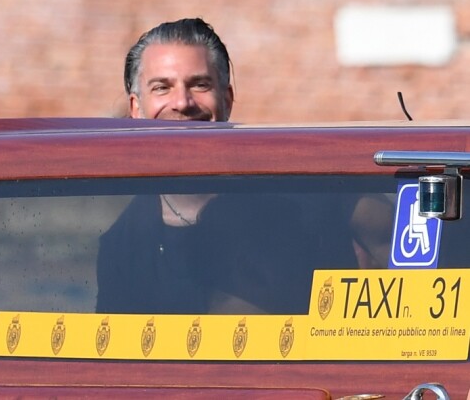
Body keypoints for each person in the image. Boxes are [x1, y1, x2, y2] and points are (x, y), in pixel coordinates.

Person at [95, 18, 356, 314]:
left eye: (199, 84)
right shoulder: (122, 245)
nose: (182, 102)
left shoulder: (295, 202)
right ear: (136, 109)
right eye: (162, 87)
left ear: (227, 99)